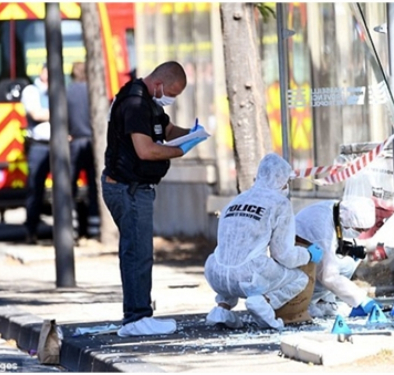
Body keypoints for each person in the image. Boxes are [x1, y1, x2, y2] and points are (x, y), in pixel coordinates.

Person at [102, 61, 209, 337]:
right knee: (138, 254)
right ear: (159, 84)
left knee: (137, 252)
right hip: (129, 189)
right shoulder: (136, 103)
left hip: (133, 187)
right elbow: (146, 151)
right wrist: (179, 152)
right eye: (171, 92)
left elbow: (168, 130)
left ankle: (137, 315)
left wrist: (193, 135)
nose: (172, 99)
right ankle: (137, 318)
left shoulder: (149, 103)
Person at [204, 153, 324, 330]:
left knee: (234, 262)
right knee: (299, 279)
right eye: (286, 182)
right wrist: (308, 254)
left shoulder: (236, 200)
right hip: (249, 277)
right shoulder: (279, 204)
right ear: (282, 179)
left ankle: (222, 309)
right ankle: (263, 304)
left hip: (216, 273)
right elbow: (284, 255)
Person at [295, 196, 379, 318]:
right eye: (359, 230)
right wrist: (361, 299)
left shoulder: (336, 210)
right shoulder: (323, 229)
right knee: (330, 271)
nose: (360, 233)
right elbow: (329, 277)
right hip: (298, 268)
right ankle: (309, 303)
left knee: (348, 264)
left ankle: (326, 301)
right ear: (349, 222)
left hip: (305, 256)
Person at [66, 61, 100, 240]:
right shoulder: (93, 91)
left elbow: (61, 118)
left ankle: (72, 228)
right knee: (94, 186)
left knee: (69, 186)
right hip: (93, 144)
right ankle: (95, 228)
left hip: (74, 142)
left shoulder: (67, 92)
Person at [21, 64, 50, 244]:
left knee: (67, 188)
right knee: (35, 189)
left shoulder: (59, 88)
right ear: (42, 72)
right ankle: (31, 231)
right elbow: (36, 114)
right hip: (39, 146)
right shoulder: (31, 90)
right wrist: (59, 111)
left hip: (58, 144)